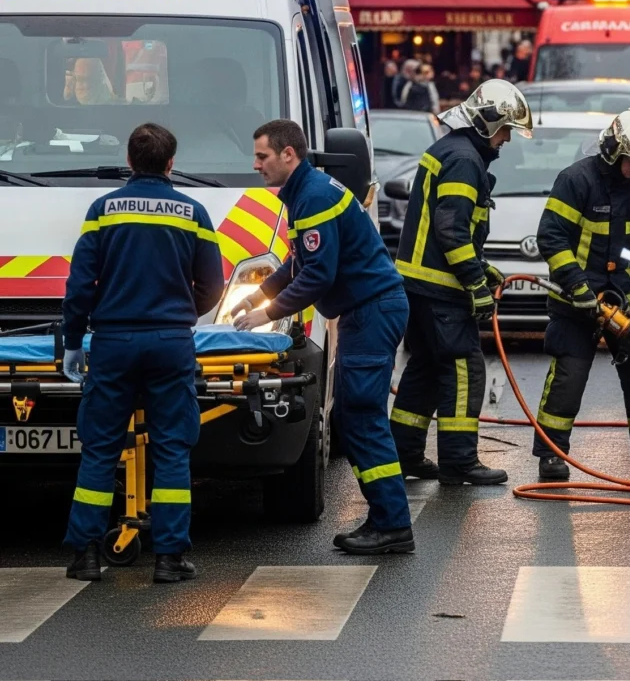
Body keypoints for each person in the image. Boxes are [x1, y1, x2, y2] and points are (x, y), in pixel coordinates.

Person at [232, 119, 413, 554]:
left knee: (360, 415)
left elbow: (316, 275)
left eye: (262, 156)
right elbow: (299, 262)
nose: (256, 165)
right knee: (356, 415)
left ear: (288, 154)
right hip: (367, 308)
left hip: (371, 311)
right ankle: (388, 519)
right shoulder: (306, 191)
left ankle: (391, 523)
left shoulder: (310, 198)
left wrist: (265, 314)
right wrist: (257, 293)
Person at [62, 123, 225, 584]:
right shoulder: (192, 212)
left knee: (99, 449)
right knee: (172, 450)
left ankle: (86, 556)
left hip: (113, 343)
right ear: (171, 163)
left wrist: (74, 340)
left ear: (130, 161)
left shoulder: (103, 210)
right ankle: (170, 559)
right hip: (171, 343)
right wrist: (179, 315)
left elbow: (79, 288)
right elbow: (213, 285)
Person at [390, 80, 532, 486]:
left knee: (425, 369)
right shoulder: (465, 160)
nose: (506, 140)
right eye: (505, 129)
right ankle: (459, 461)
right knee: (465, 370)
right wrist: (475, 283)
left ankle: (406, 454)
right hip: (441, 290)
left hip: (418, 285)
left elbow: (452, 230)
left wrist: (481, 267)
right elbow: (451, 230)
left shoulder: (448, 150)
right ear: (487, 123)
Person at [534, 107, 630, 481]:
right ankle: (552, 455)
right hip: (578, 299)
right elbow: (551, 238)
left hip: (625, 298)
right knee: (569, 375)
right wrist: (578, 288)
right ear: (613, 151)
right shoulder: (576, 180)